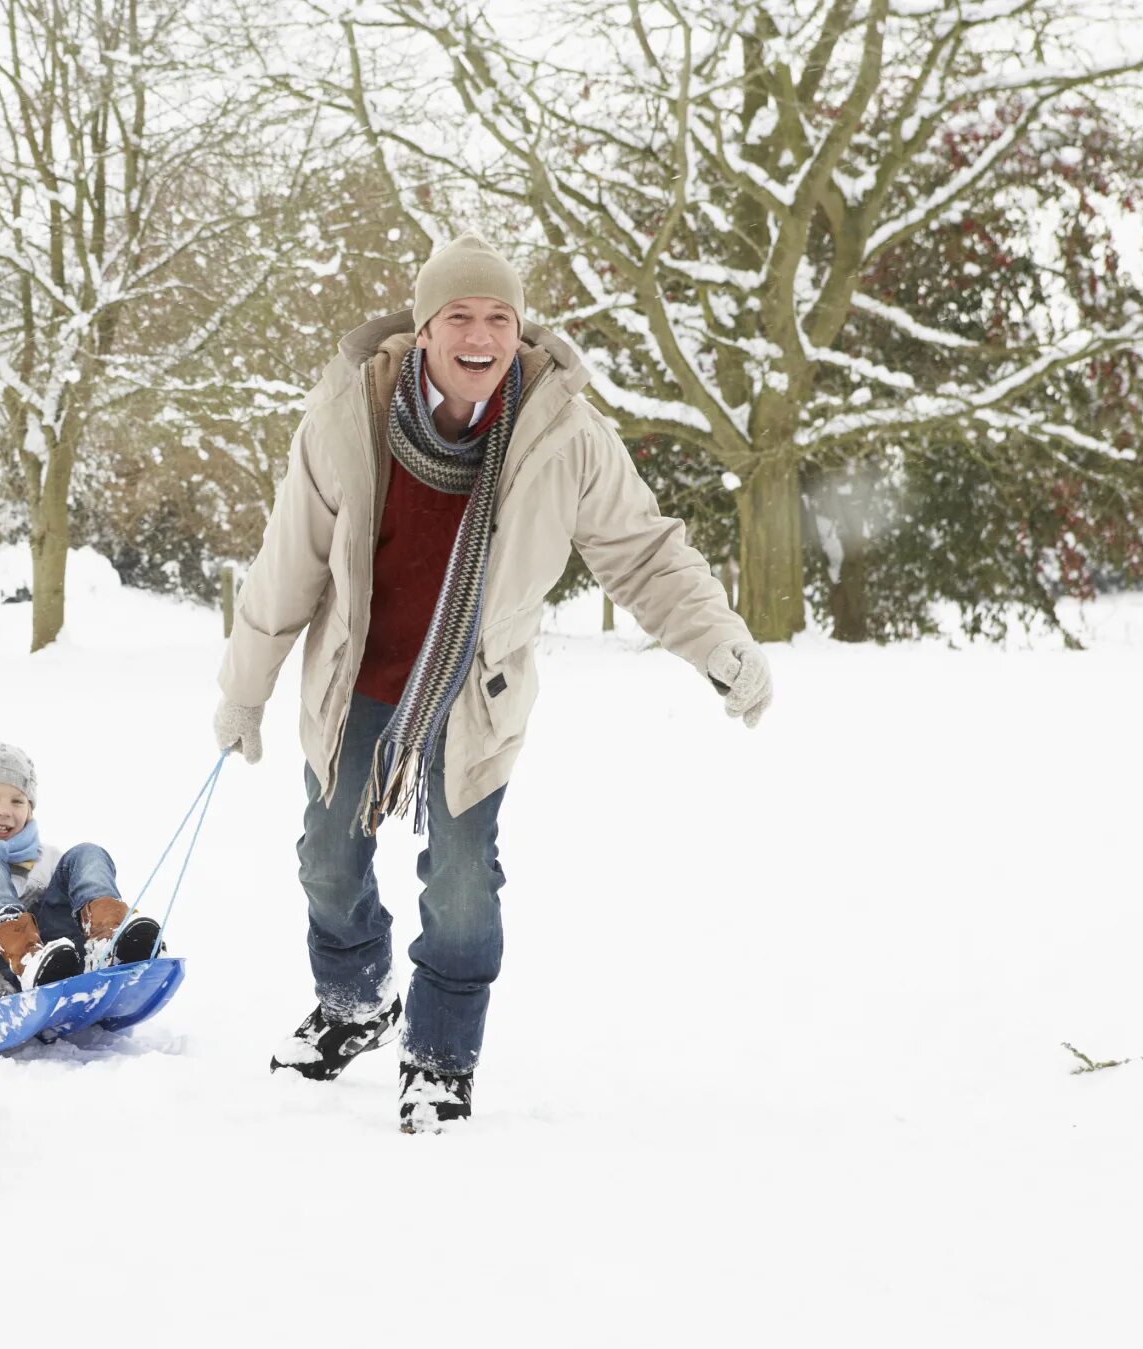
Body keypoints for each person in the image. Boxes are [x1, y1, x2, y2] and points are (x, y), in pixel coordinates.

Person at [211, 233, 773, 1133]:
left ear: (519, 329)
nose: (482, 335)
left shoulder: (561, 433)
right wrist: (244, 689)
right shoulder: (348, 419)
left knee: (464, 882)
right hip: (356, 684)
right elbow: (288, 564)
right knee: (326, 862)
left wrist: (719, 643)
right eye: (461, 317)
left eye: (500, 318)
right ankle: (355, 1002)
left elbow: (644, 551)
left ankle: (439, 1057)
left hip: (476, 696)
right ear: (426, 327)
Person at [0, 741, 161, 1003]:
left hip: (53, 962)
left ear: (30, 810)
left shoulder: (44, 858)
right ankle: (26, 959)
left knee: (87, 854)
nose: (4, 811)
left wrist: (138, 939)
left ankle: (112, 942)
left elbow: (82, 890)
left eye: (17, 801)